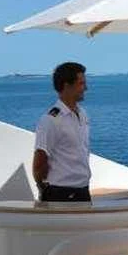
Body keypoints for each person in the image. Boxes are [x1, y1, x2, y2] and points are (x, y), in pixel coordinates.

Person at [34, 62, 92, 202]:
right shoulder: (51, 120)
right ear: (67, 86)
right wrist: (44, 189)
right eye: (81, 84)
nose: (86, 88)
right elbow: (40, 161)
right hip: (60, 192)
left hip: (83, 190)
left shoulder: (82, 114)